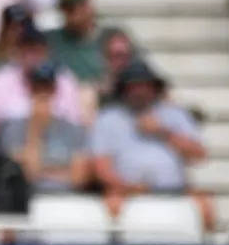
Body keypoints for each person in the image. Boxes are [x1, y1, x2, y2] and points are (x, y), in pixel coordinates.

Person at [91, 60, 212, 227]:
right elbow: (101, 168)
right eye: (133, 86)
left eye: (144, 86)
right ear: (123, 90)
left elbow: (199, 155)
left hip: (174, 189)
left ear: (155, 88)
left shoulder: (175, 114)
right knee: (111, 206)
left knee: (205, 207)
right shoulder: (108, 118)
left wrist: (163, 132)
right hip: (126, 191)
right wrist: (128, 187)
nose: (139, 92)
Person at [0, 66, 89, 192]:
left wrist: (42, 172)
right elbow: (27, 174)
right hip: (29, 200)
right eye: (37, 88)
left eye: (48, 87)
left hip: (67, 201)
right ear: (29, 89)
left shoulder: (72, 129)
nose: (43, 93)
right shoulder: (13, 129)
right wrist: (35, 129)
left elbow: (78, 177)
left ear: (55, 90)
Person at [0, 26, 84, 124]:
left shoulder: (64, 80)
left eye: (36, 50)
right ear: (17, 52)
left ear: (47, 52)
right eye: (26, 50)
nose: (31, 57)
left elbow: (73, 121)